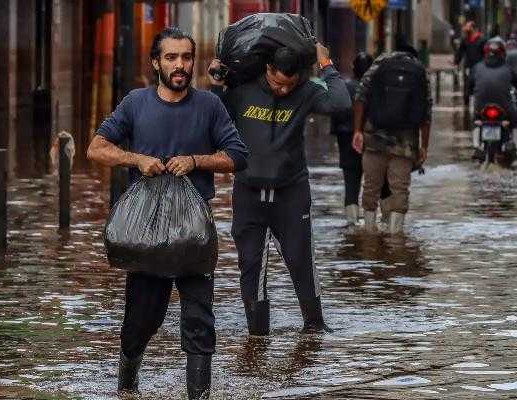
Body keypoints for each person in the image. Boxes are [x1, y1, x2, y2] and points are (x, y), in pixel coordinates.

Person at [86, 27, 250, 399]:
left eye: (186, 58)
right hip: (146, 234)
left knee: (199, 320)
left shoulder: (209, 105)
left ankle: (199, 394)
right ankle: (127, 386)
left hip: (194, 232)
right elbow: (96, 149)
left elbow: (237, 155)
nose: (180, 65)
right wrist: (137, 159)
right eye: (172, 58)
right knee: (140, 321)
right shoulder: (135, 103)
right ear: (155, 62)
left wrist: (195, 161)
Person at [208, 43, 351, 337]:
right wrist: (217, 83)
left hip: (291, 191)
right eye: (276, 82)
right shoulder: (242, 89)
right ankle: (257, 335)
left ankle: (314, 327)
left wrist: (327, 64)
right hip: (248, 190)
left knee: (300, 259)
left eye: (289, 84)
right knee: (251, 264)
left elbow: (341, 104)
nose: (283, 90)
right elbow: (211, 117)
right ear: (267, 69)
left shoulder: (307, 91)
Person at [352, 45, 432, 234]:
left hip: (375, 138)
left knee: (371, 186)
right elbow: (427, 113)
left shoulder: (380, 63)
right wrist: (424, 146)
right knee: (400, 189)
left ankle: (369, 232)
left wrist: (357, 130)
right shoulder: (420, 71)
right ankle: (396, 238)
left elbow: (360, 97)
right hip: (406, 143)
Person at [329, 52, 391, 225]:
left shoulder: (344, 87)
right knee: (383, 183)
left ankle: (352, 223)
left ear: (353, 68)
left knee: (351, 182)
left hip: (347, 138)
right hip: (375, 140)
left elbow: (335, 112)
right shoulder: (379, 89)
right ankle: (387, 223)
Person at [454, 21, 487, 104]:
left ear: (473, 28)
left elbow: (486, 53)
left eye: (469, 27)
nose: (466, 29)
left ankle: (479, 101)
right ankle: (466, 101)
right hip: (468, 66)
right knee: (467, 84)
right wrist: (456, 61)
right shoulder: (465, 40)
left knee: (479, 84)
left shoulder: (482, 40)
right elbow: (460, 52)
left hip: (479, 66)